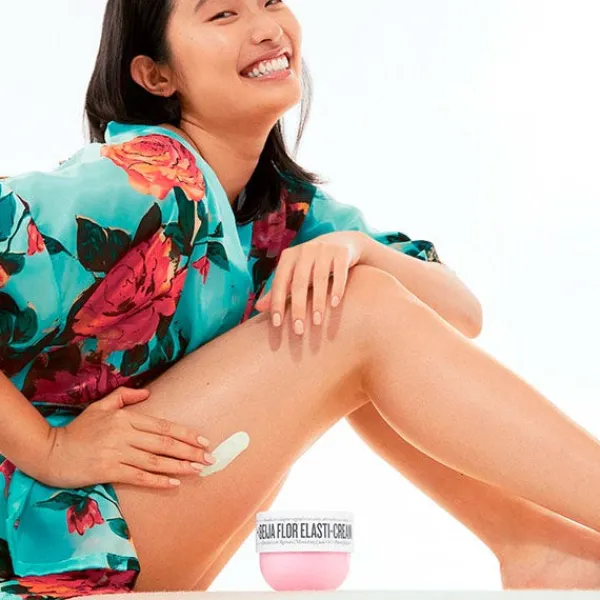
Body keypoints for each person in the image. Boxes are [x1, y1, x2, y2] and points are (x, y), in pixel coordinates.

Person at [1, 0, 600, 597]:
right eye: (223, 15)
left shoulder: (282, 211)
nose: (267, 28)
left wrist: (355, 248)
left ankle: (539, 547)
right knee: (352, 309)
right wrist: (51, 448)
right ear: (157, 75)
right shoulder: (137, 181)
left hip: (108, 534)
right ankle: (538, 548)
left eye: (270, 1)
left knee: (342, 295)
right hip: (36, 539)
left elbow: (456, 317)